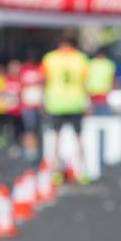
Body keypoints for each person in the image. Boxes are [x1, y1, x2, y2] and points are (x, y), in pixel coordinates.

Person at [41, 29, 89, 182]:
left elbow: (44, 80)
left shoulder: (50, 58)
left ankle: (56, 172)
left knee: (56, 138)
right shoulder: (81, 59)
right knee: (79, 137)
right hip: (75, 102)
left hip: (56, 102)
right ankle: (82, 171)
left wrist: (44, 100)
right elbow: (85, 82)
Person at [17, 56, 44, 164]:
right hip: (27, 105)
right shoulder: (24, 69)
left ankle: (37, 151)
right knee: (29, 129)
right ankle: (30, 152)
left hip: (38, 105)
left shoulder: (40, 68)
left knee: (38, 130)